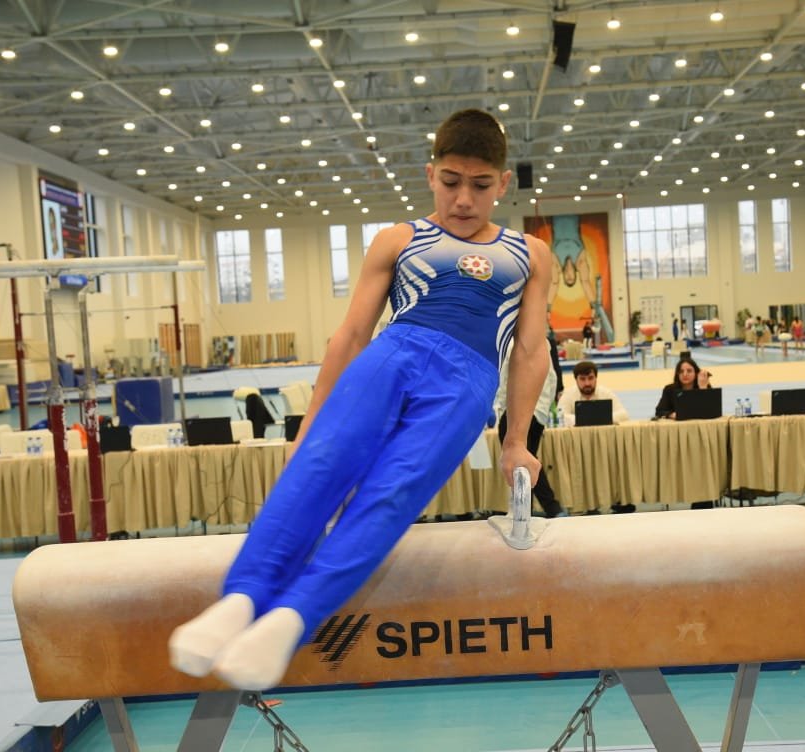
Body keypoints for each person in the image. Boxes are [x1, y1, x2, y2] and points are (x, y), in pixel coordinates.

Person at [169, 109, 551, 692]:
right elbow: (349, 334)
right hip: (392, 353)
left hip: (467, 384)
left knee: (389, 496)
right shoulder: (400, 239)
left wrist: (516, 441)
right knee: (318, 469)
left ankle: (291, 618)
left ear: (502, 183)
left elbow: (528, 354)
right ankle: (242, 600)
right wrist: (311, 423)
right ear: (430, 175)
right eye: (451, 182)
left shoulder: (530, 255)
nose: (464, 200)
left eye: (480, 185)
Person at [494, 337, 565, 518]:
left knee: (520, 463)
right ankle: (538, 508)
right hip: (537, 414)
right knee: (528, 461)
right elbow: (552, 379)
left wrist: (502, 409)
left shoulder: (510, 345)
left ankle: (541, 509)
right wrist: (543, 411)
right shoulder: (543, 344)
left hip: (515, 414)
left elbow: (504, 381)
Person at [558, 360, 629, 424]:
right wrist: (590, 419)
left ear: (596, 378)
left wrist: (595, 418)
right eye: (582, 379)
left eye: (590, 378)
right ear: (576, 380)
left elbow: (624, 415)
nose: (587, 383)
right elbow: (560, 417)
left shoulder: (606, 393)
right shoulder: (568, 395)